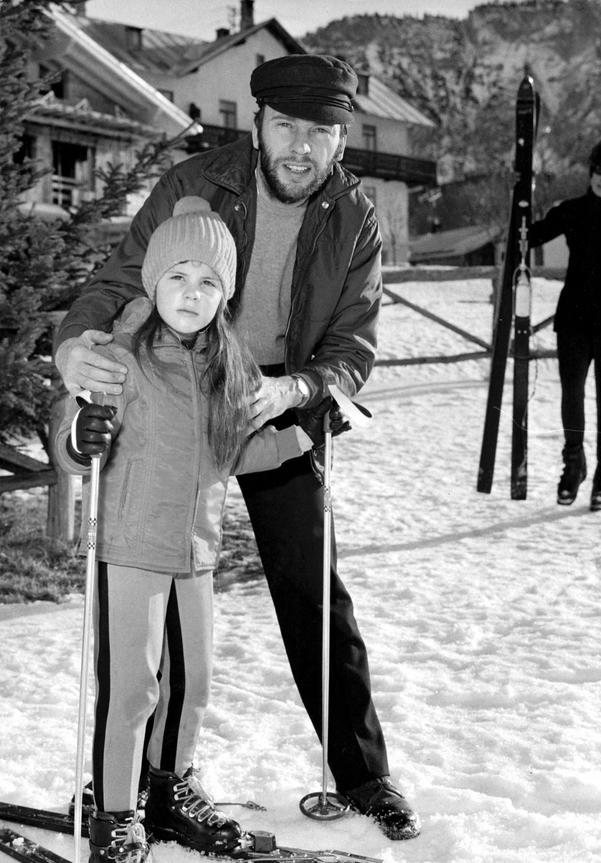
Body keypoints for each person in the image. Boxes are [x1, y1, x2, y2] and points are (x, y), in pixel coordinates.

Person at [53, 54, 420, 841]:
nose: (300, 146)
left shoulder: (355, 216)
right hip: (180, 374)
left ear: (341, 136)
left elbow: (355, 343)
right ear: (255, 124)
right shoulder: (197, 184)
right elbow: (118, 281)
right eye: (285, 125)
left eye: (320, 132)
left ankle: (362, 775)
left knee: (312, 586)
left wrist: (298, 391)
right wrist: (72, 346)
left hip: (275, 393)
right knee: (152, 598)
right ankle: (125, 787)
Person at [53, 196, 316, 863]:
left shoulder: (227, 363)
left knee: (191, 681)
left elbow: (232, 449)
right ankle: (115, 807)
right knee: (132, 685)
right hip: (130, 543)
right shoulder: (123, 356)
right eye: (177, 276)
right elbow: (73, 435)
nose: (191, 293)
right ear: (153, 282)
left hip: (196, 551)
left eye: (208, 281)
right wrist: (77, 434)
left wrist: (295, 440)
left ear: (225, 295)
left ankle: (169, 787)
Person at [529, 137, 601, 510]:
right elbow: (530, 235)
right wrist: (521, 200)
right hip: (574, 318)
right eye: (599, 169)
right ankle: (573, 465)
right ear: (590, 168)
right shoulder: (572, 210)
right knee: (571, 396)